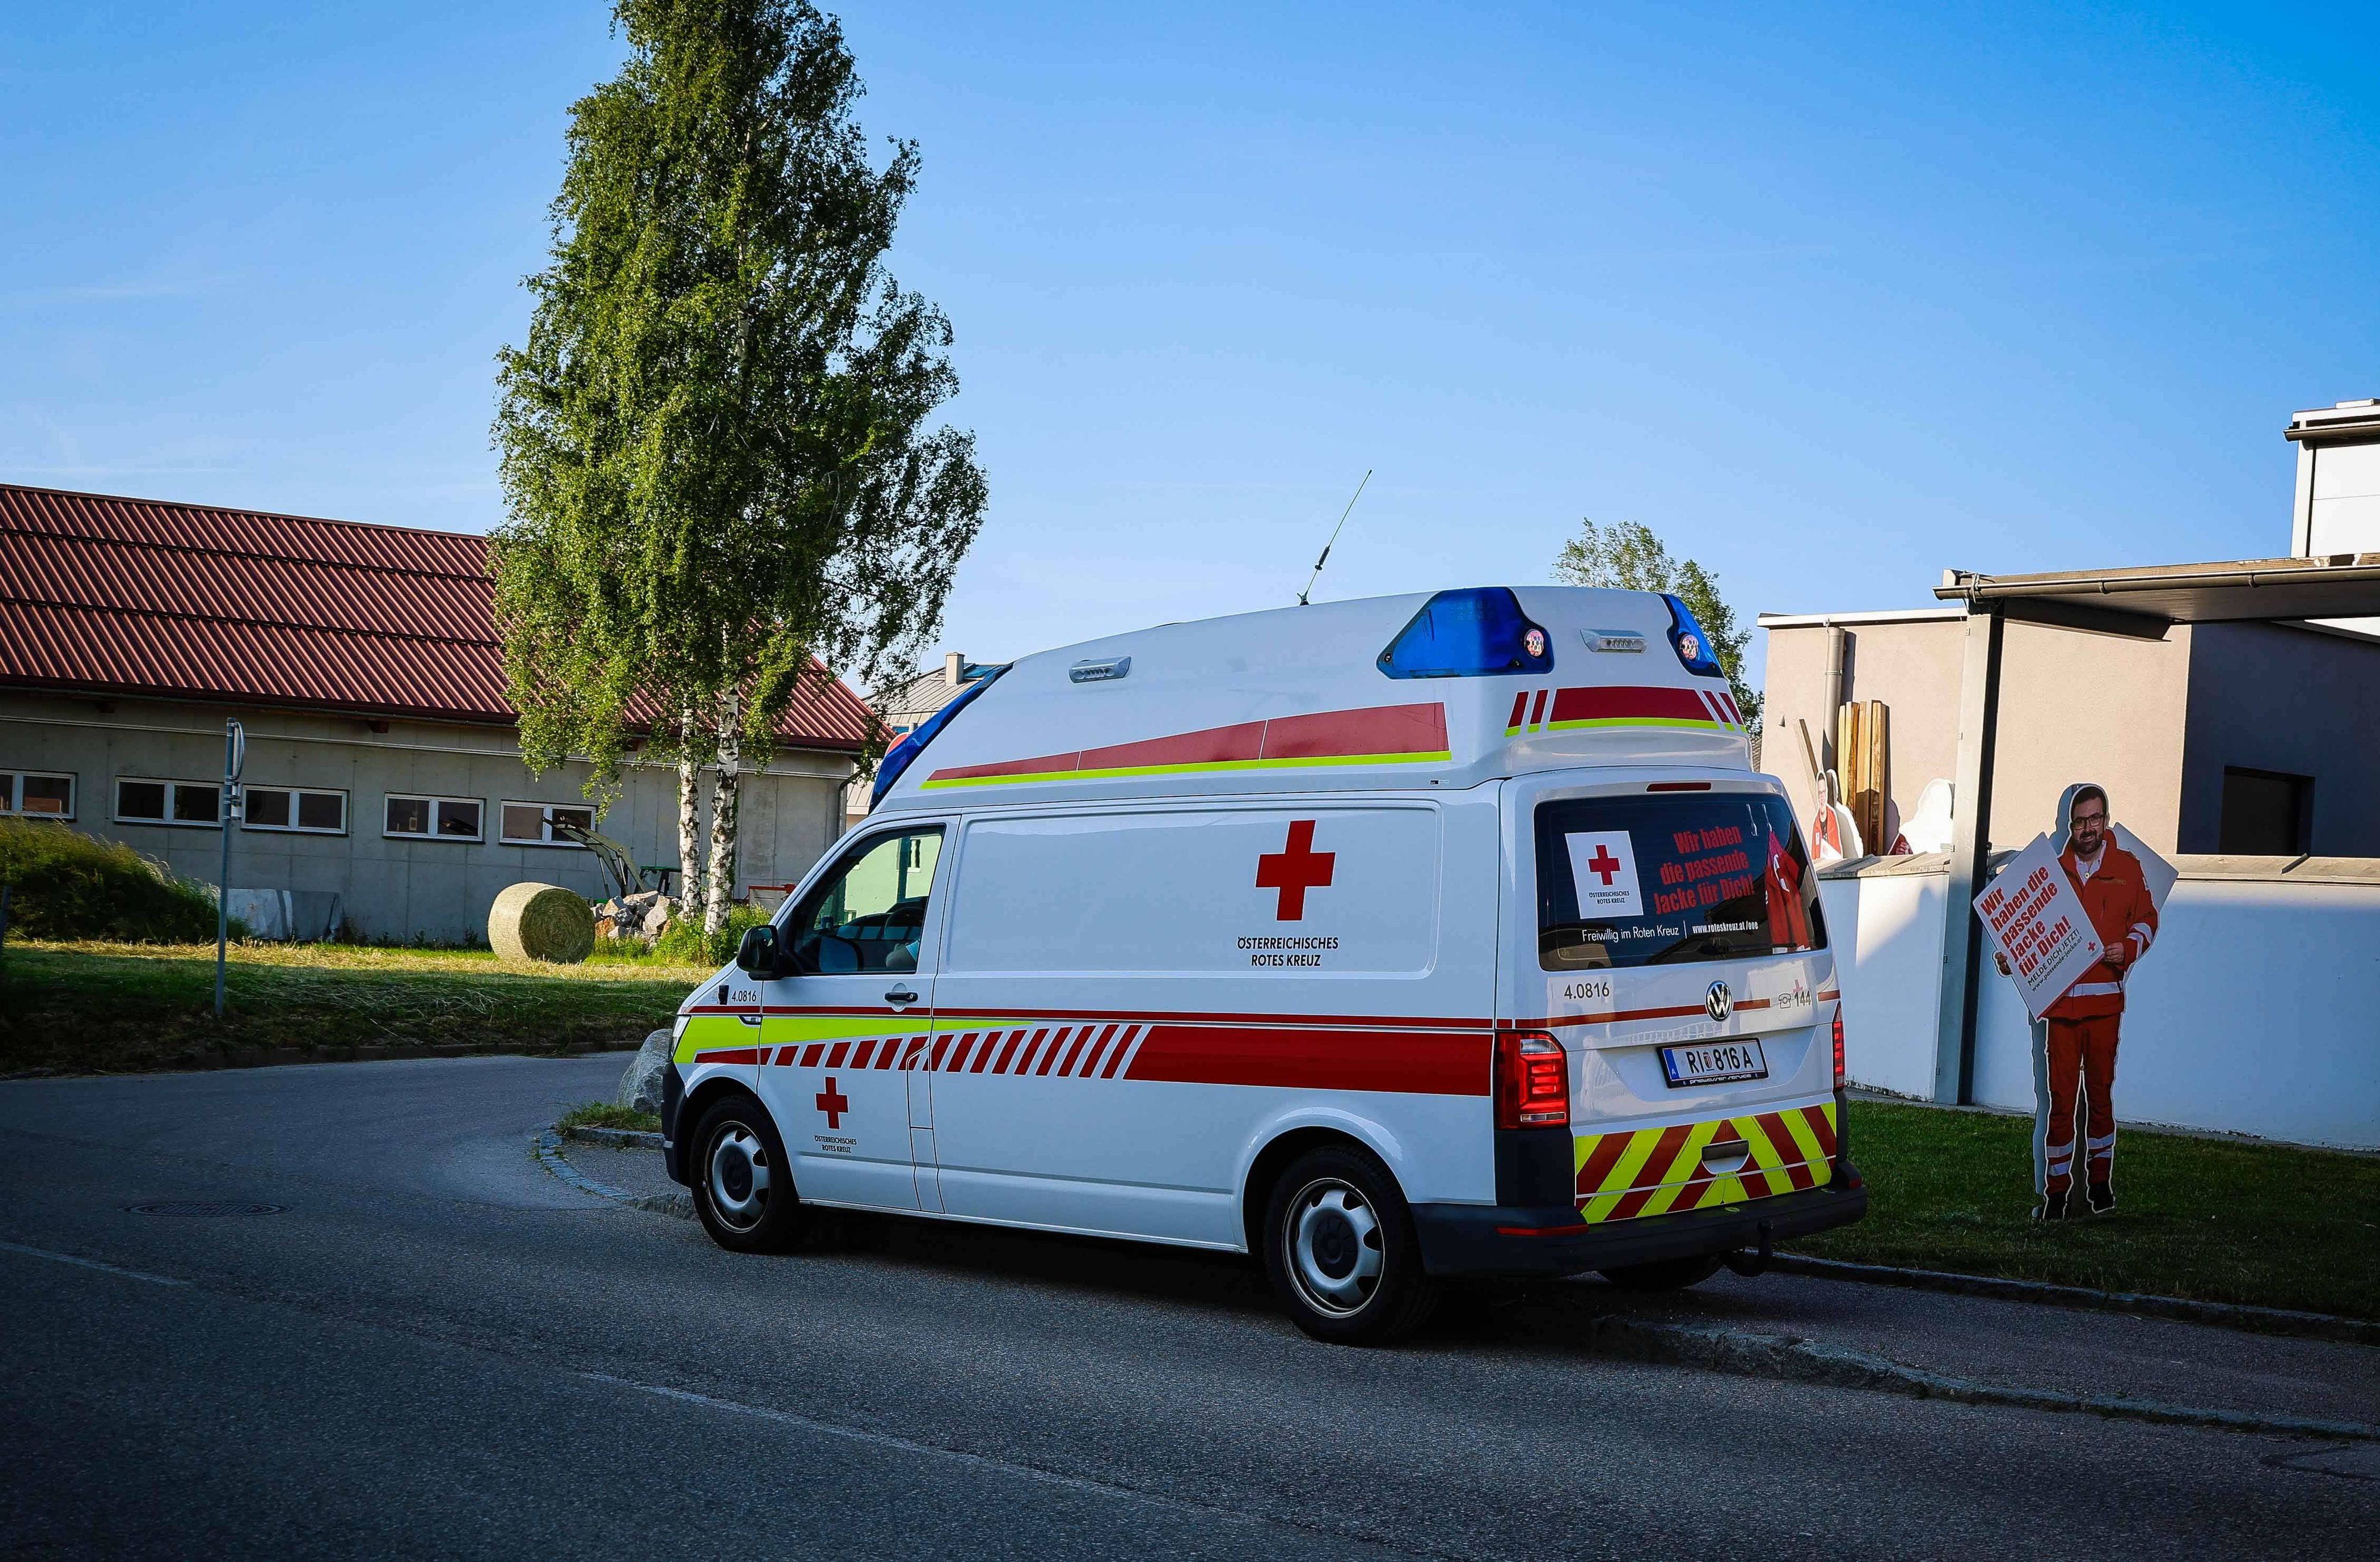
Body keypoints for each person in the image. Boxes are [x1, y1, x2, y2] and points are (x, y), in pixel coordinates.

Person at [1999, 784, 2158, 1219]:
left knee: (2101, 1099)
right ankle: (2056, 1194)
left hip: (2105, 1008)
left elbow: (2148, 918)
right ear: (2069, 825)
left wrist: (2128, 948)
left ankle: (2101, 1186)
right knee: (2061, 1104)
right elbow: (2027, 932)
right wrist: (2012, 957)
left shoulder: (2128, 868)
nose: (2088, 828)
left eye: (2095, 819)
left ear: (2106, 820)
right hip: (2063, 1013)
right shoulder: (2050, 873)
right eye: (2081, 821)